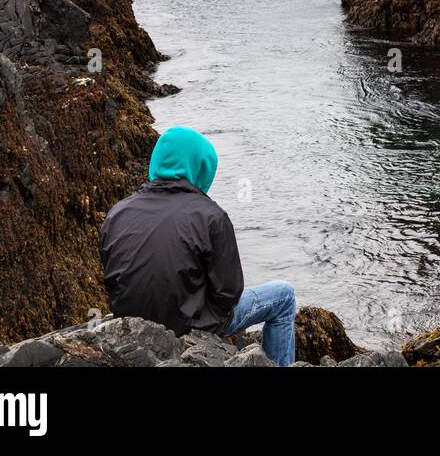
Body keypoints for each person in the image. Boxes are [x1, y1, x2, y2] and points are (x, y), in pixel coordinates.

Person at [98, 125, 297, 366]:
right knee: (284, 295)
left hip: (131, 322)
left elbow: (113, 278)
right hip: (190, 325)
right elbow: (229, 293)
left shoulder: (117, 212)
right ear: (202, 168)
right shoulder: (211, 216)